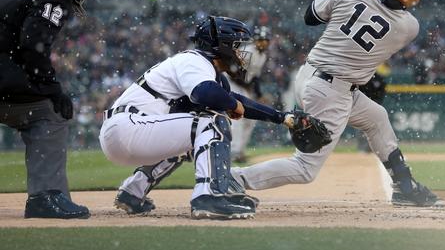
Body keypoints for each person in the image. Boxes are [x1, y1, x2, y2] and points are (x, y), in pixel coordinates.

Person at [230, 0, 445, 207]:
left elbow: (310, 17)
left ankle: (404, 187)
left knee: (377, 118)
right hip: (330, 91)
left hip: (311, 77)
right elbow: (368, 14)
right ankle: (232, 178)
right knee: (305, 168)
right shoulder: (408, 27)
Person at [100, 16, 322, 219]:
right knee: (212, 122)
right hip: (128, 128)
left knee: (192, 138)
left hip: (132, 132)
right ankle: (210, 196)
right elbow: (205, 93)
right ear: (222, 46)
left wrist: (284, 118)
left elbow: (236, 100)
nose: (242, 50)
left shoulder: (209, 70)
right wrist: (231, 104)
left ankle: (132, 192)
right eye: (237, 45)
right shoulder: (193, 60)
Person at [0, 0, 93, 219]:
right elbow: (33, 43)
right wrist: (52, 89)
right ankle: (46, 196)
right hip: (6, 84)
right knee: (50, 112)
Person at [229, 25, 272, 163]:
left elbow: (255, 77)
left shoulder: (263, 55)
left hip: (243, 86)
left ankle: (239, 150)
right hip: (232, 84)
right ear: (255, 40)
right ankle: (234, 151)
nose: (263, 43)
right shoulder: (247, 50)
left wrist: (258, 94)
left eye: (266, 40)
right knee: (239, 117)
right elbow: (233, 70)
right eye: (261, 40)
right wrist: (246, 87)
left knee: (250, 119)